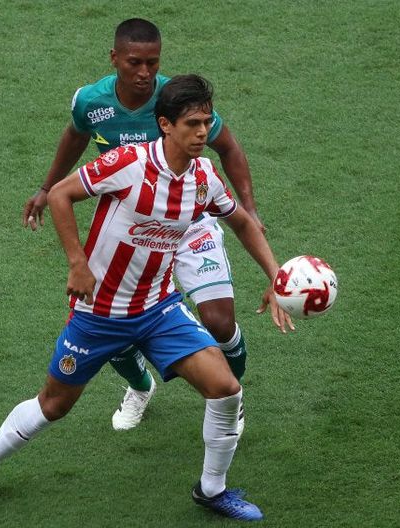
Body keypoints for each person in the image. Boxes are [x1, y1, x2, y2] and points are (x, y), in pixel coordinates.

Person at [0, 74, 292, 521]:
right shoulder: (128, 162)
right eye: (192, 124)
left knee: (225, 389)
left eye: (207, 123)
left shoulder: (204, 177)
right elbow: (60, 195)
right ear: (165, 125)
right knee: (53, 405)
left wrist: (276, 277)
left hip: (159, 310)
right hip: (99, 314)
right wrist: (77, 262)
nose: (202, 133)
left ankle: (212, 489)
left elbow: (241, 221)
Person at [22, 18, 262, 431]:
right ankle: (139, 387)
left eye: (153, 62)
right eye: (135, 62)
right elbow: (76, 136)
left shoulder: (176, 102)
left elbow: (228, 146)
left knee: (220, 323)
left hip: (188, 221)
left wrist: (249, 208)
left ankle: (230, 399)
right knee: (111, 316)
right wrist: (47, 187)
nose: (145, 72)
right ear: (114, 58)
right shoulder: (90, 101)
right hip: (133, 228)